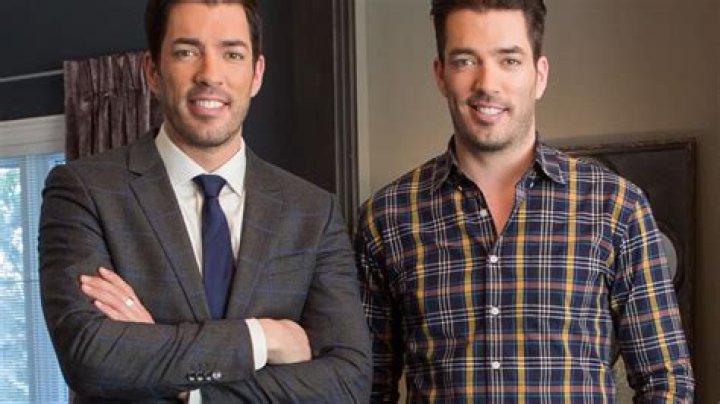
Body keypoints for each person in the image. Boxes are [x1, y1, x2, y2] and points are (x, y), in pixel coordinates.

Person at [354, 0, 694, 402]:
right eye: (465, 61)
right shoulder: (386, 218)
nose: (487, 83)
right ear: (441, 75)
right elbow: (366, 389)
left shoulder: (616, 207)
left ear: (539, 75)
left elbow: (666, 383)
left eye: (509, 61)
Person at [39, 0, 370, 402]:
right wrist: (262, 338)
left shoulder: (313, 212)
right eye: (186, 52)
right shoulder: (83, 191)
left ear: (256, 74)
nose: (210, 74)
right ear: (152, 72)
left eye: (232, 54)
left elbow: (347, 382)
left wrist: (184, 383)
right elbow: (89, 355)